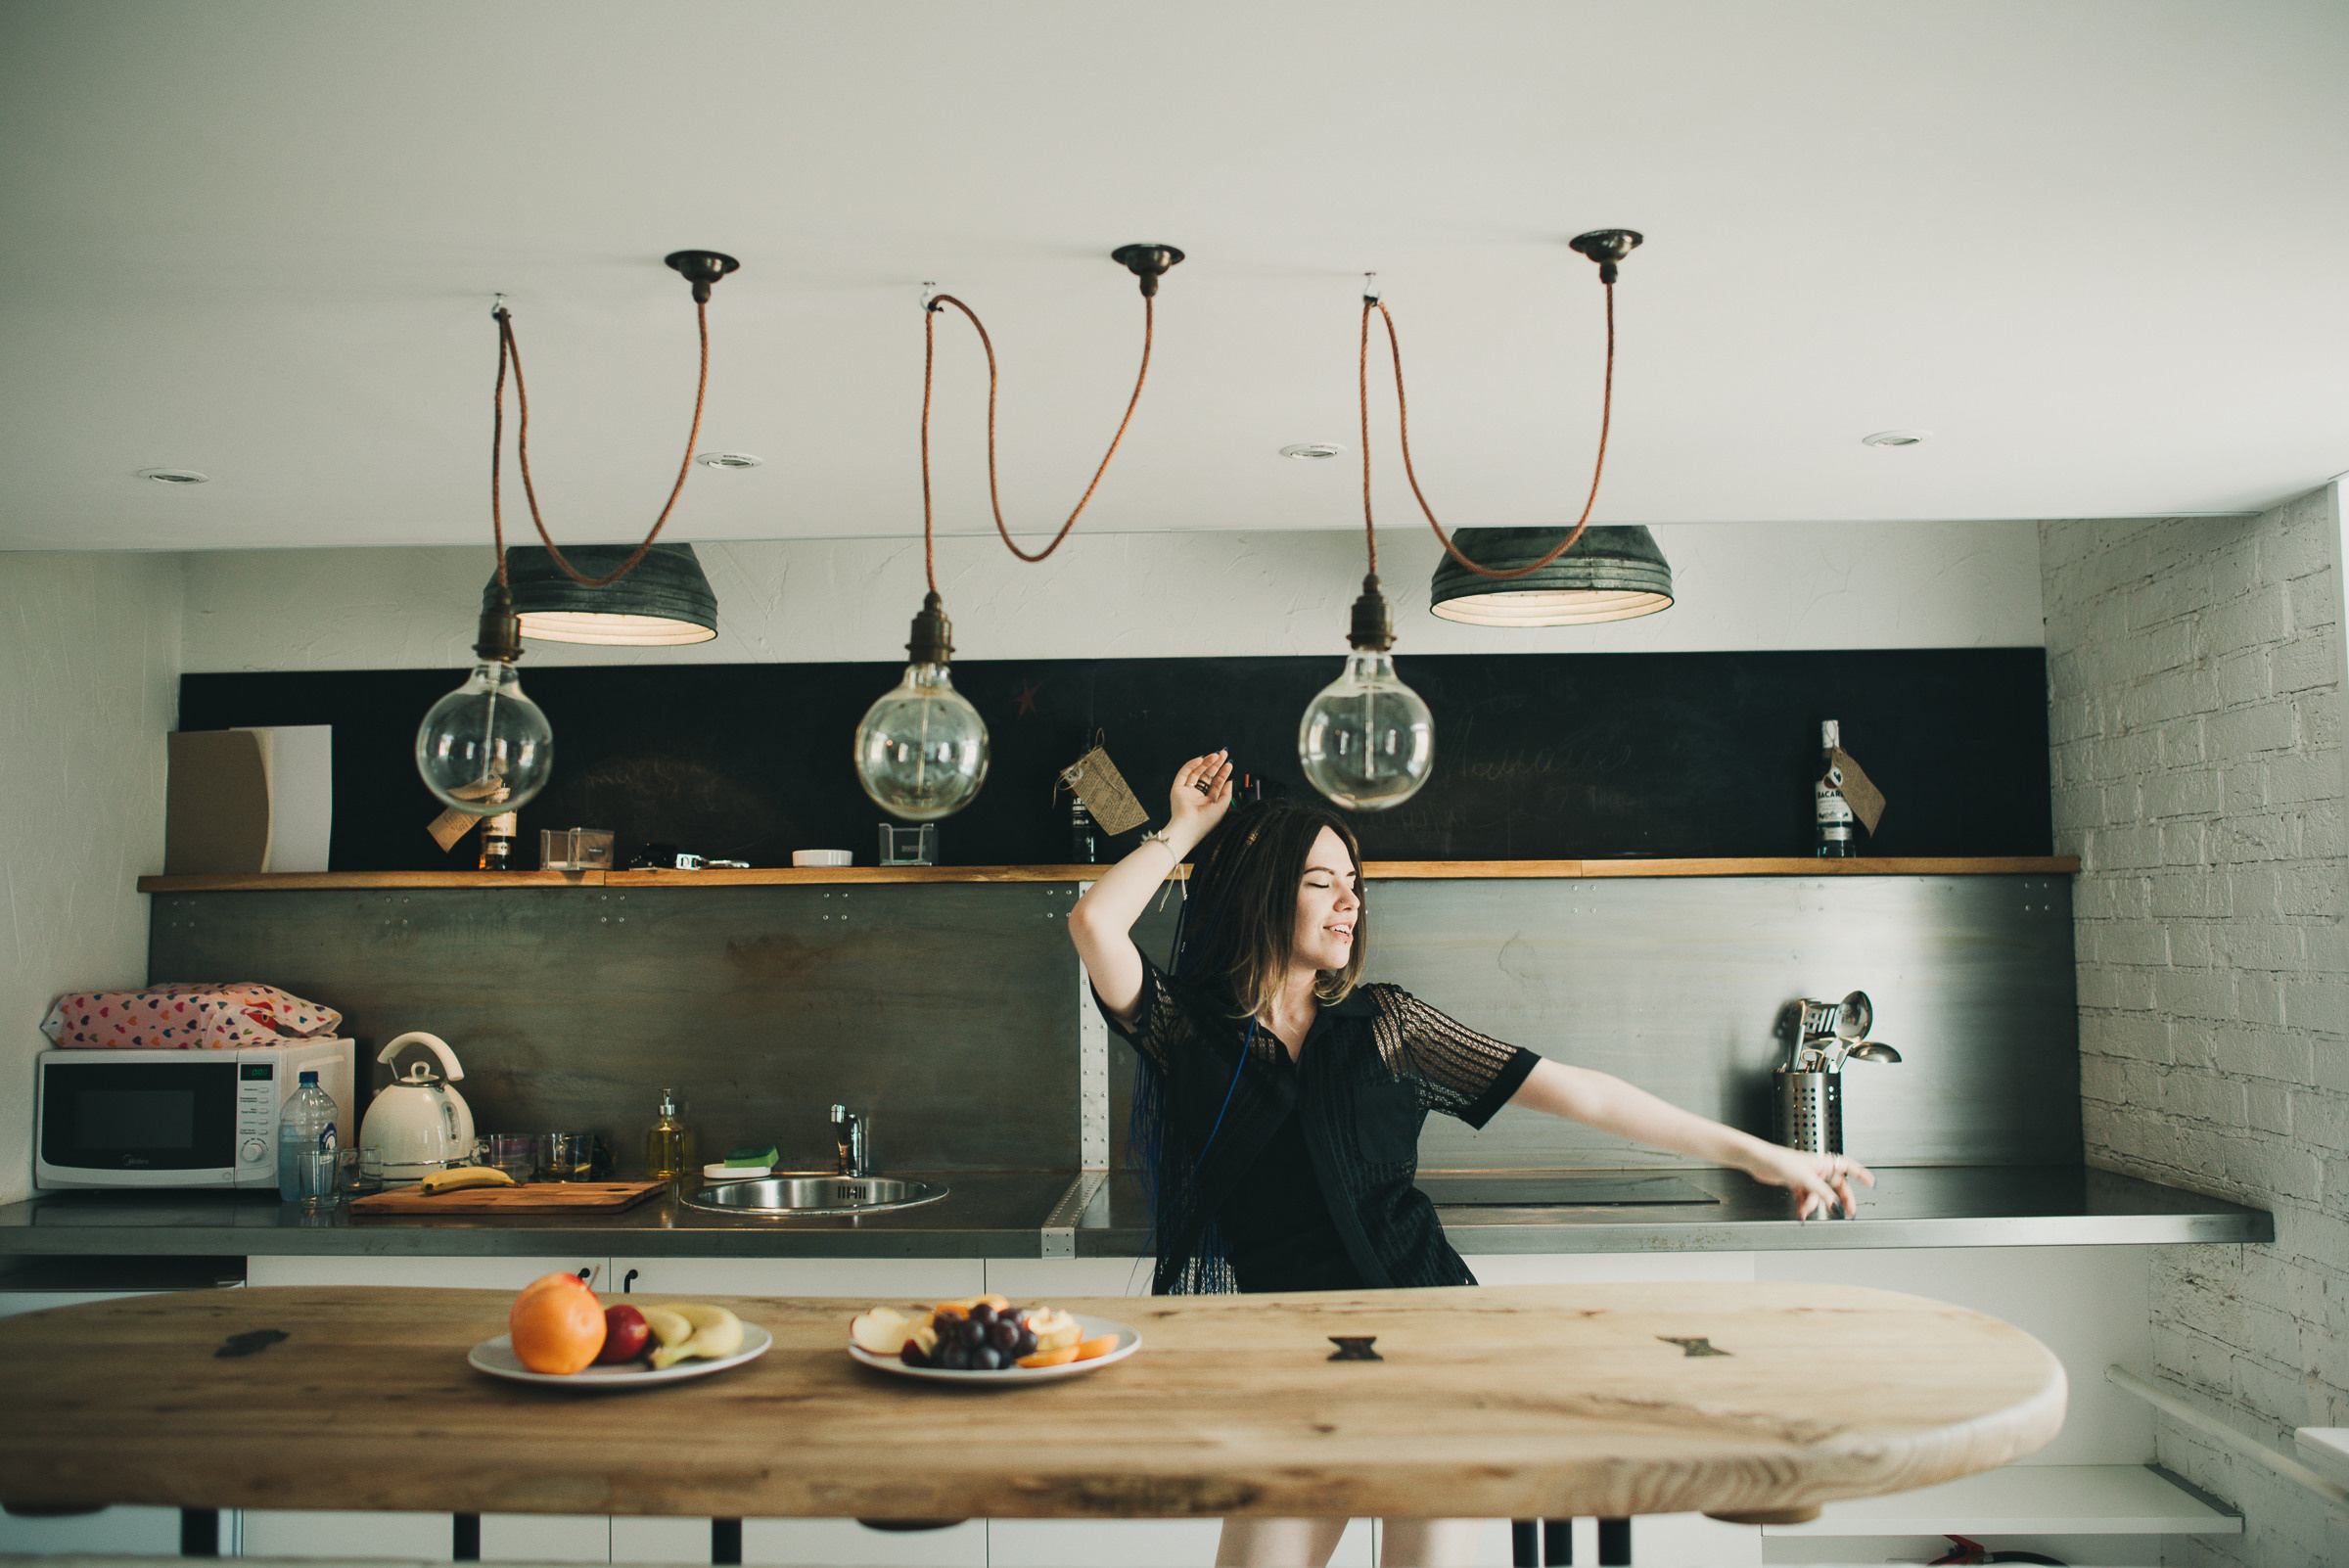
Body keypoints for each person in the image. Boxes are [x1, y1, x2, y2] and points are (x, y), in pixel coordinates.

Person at [1067, 751, 1875, 1568]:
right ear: (1265, 893)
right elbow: (1096, 925)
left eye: (1355, 882)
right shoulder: (1190, 1032)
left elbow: (1583, 1094)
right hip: (1291, 1367)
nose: (1350, 902)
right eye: (1321, 882)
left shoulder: (1390, 1026)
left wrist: (1759, 1155)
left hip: (1433, 1348)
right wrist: (1186, 829)